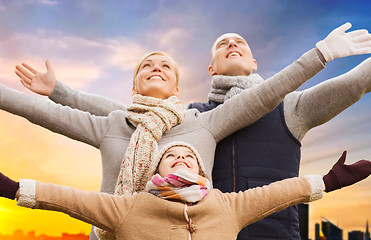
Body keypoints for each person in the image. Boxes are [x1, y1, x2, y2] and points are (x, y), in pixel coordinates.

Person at [7, 23, 371, 239]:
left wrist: (321, 53)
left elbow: (275, 93)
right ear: (209, 69)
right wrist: (60, 92)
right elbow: (99, 116)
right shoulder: (158, 120)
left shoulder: (230, 116)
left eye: (166, 64)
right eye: (146, 65)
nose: (232, 44)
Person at [1, 143, 371, 239]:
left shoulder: (226, 205)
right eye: (171, 157)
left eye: (187, 157)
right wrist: (11, 188)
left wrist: (330, 180)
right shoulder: (128, 208)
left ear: (200, 170)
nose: (179, 160)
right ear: (157, 170)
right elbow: (67, 198)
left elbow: (280, 192)